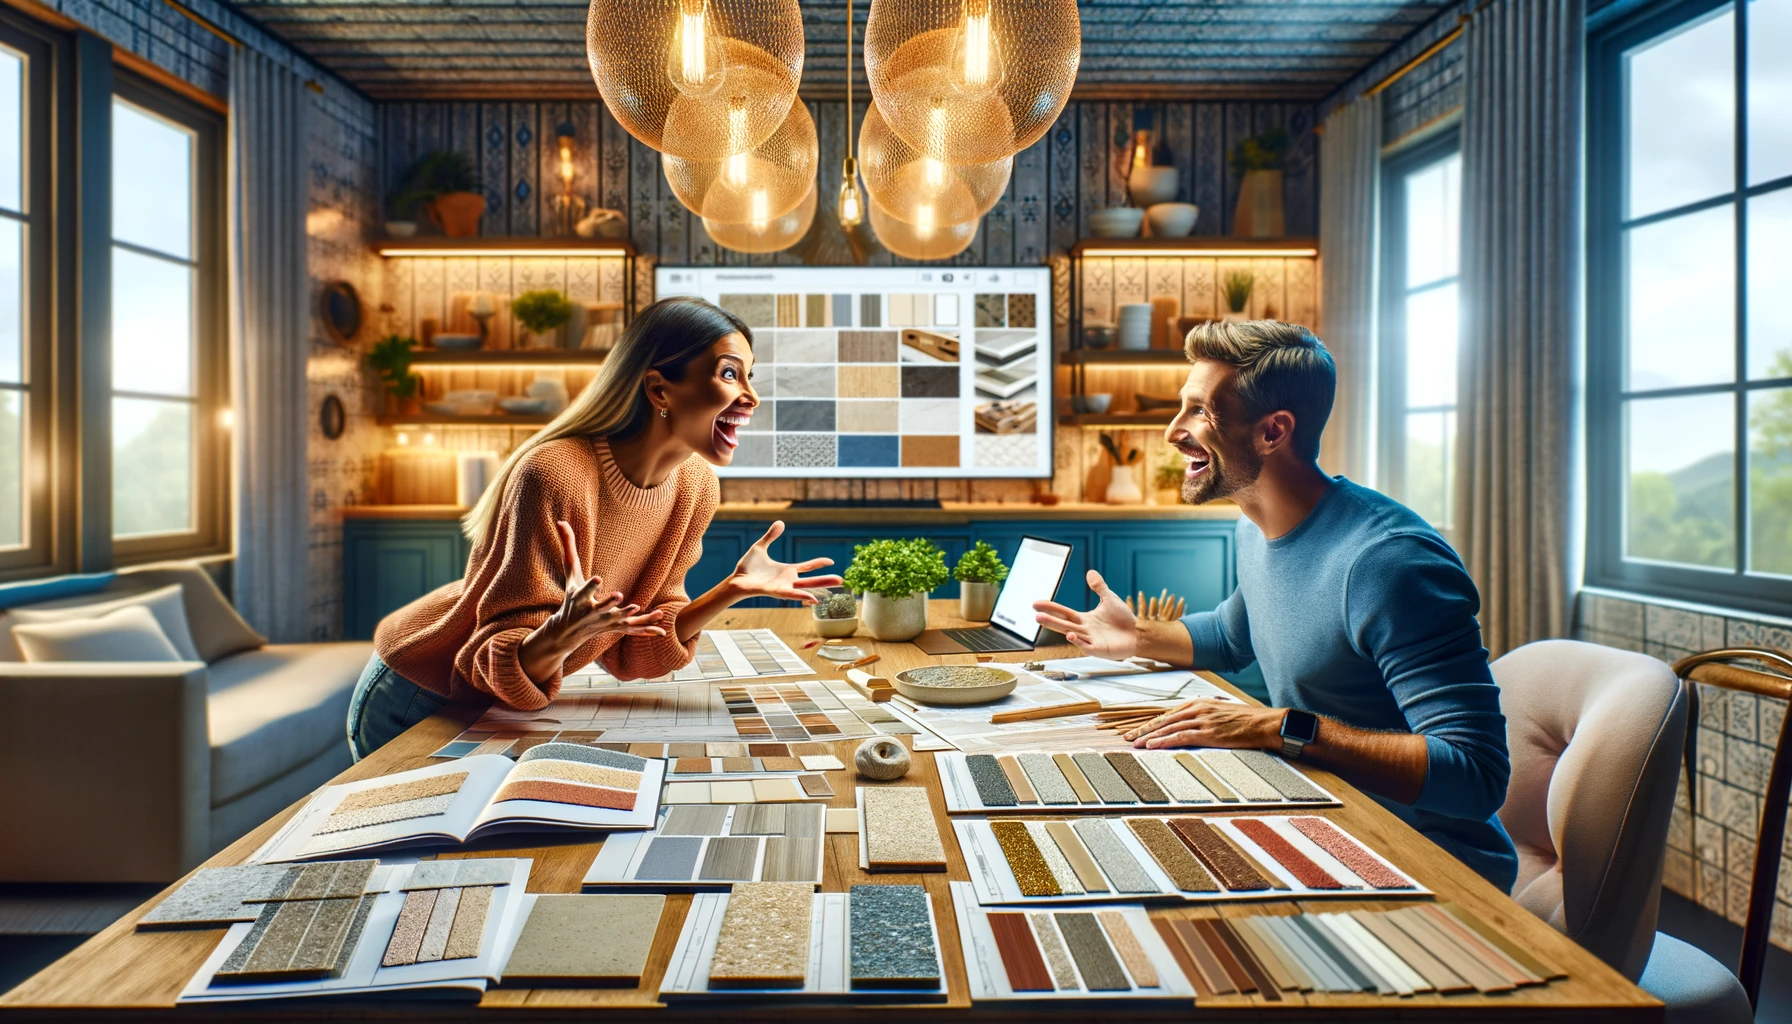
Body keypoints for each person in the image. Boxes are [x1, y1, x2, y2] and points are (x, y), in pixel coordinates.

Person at [1033, 320, 1517, 892]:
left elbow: (1476, 775)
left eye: (1199, 413)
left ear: (1272, 432)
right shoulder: (1255, 528)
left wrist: (1279, 727)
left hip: (1430, 864)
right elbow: (1233, 634)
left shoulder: (1390, 563)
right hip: (1326, 820)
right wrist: (1135, 636)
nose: (1172, 432)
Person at [347, 297, 842, 760]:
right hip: (419, 691)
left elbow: (634, 649)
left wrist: (729, 591)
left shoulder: (696, 486)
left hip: (501, 700)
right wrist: (561, 637)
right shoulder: (555, 474)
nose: (751, 397)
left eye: (750, 376)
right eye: (730, 374)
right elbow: (494, 654)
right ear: (659, 389)